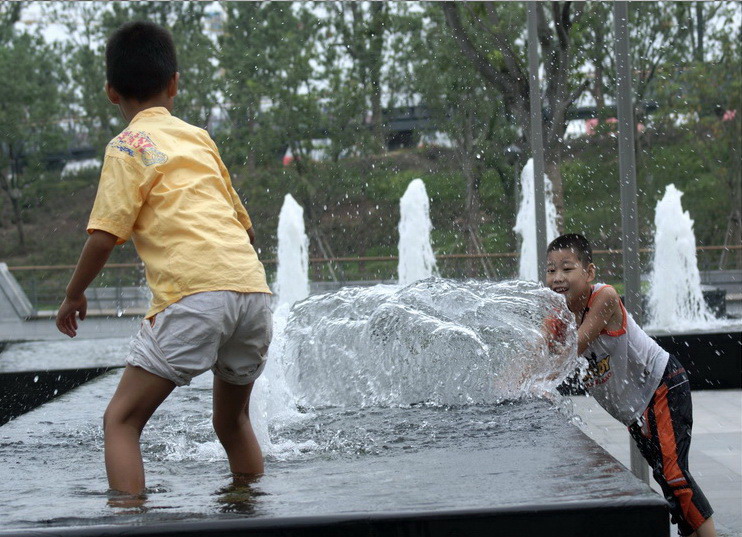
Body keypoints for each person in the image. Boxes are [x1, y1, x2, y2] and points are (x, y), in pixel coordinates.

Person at [55, 21, 273, 498]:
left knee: (121, 419)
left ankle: (130, 521)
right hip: (253, 292)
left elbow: (103, 236)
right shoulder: (199, 138)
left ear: (112, 93)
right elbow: (247, 229)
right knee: (233, 420)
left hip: (193, 294)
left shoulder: (128, 146)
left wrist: (74, 295)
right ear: (175, 82)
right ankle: (250, 512)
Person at [545, 234, 716, 537]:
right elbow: (538, 357)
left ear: (589, 272)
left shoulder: (604, 297)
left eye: (567, 269)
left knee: (675, 477)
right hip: (636, 407)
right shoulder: (558, 315)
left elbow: (573, 348)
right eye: (550, 270)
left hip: (661, 385)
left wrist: (547, 346)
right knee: (667, 479)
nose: (557, 278)